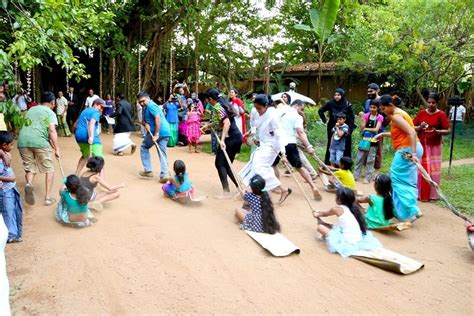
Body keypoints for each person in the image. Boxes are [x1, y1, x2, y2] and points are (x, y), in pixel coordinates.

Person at [374, 95, 423, 221]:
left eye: (384, 109)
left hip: (406, 150)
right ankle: (410, 209)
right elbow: (401, 132)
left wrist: (412, 154)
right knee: (407, 179)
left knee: (396, 179)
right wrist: (383, 133)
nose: (383, 111)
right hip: (413, 148)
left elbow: (411, 132)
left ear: (390, 105)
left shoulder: (396, 116)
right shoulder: (400, 113)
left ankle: (410, 210)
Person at [240, 94, 292, 204]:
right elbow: (259, 127)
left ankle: (260, 193)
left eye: (259, 108)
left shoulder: (273, 116)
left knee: (259, 166)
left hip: (273, 145)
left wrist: (283, 154)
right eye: (256, 108)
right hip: (265, 143)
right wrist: (256, 137)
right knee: (257, 165)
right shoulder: (261, 113)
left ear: (266, 105)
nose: (258, 111)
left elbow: (279, 135)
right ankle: (265, 192)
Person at [273, 96, 322, 200]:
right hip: (290, 143)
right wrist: (308, 146)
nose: (301, 111)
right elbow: (300, 132)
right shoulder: (296, 116)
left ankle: (277, 186)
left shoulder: (280, 110)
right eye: (301, 109)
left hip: (278, 142)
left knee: (273, 165)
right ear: (296, 106)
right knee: (299, 167)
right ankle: (313, 186)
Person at [312, 186, 382, 257]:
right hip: (358, 239)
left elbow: (325, 214)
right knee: (335, 226)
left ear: (338, 199)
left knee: (320, 227)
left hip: (347, 242)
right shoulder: (354, 208)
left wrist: (316, 213)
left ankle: (328, 237)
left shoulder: (337, 209)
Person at [17, 91, 60, 206]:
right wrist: (57, 149)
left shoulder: (31, 109)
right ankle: (47, 198)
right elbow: (51, 130)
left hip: (23, 141)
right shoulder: (50, 112)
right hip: (40, 141)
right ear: (52, 102)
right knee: (49, 168)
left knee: (29, 167)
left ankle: (29, 183)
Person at [201, 88, 243, 199]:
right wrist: (207, 126)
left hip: (231, 138)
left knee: (219, 164)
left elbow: (226, 123)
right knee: (227, 165)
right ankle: (240, 188)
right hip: (236, 137)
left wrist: (223, 140)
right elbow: (218, 121)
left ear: (210, 99)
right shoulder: (224, 104)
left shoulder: (217, 106)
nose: (207, 102)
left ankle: (226, 191)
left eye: (207, 100)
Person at [413, 93, 450, 202]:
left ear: (437, 103)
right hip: (421, 145)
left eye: (433, 102)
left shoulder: (441, 115)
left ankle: (432, 195)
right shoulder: (421, 113)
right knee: (420, 169)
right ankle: (419, 194)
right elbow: (412, 127)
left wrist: (438, 131)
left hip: (434, 146)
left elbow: (447, 130)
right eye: (429, 102)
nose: (430, 104)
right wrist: (420, 127)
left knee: (433, 170)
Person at [137, 91, 171, 183]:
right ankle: (164, 174)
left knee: (144, 147)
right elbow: (143, 121)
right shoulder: (145, 108)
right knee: (162, 152)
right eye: (140, 102)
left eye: (143, 101)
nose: (142, 103)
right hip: (164, 131)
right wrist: (145, 124)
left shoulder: (151, 105)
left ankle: (148, 170)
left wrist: (156, 134)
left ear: (148, 98)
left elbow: (157, 118)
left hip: (159, 132)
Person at [319, 88, 356, 164]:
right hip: (333, 127)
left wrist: (350, 130)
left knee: (345, 145)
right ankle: (329, 164)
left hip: (345, 128)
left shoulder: (347, 104)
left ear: (342, 95)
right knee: (332, 144)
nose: (336, 96)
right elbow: (320, 110)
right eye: (335, 95)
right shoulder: (330, 103)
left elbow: (352, 117)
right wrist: (325, 120)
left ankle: (345, 165)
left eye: (338, 95)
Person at [0, 132, 23, 243]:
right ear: (4, 145)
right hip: (4, 190)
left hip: (10, 188)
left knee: (13, 210)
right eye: (11, 144)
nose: (13, 147)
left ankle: (13, 233)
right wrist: (10, 179)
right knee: (7, 211)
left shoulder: (5, 155)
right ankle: (10, 235)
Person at [354, 100, 383, 183]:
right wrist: (362, 119)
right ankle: (356, 176)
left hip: (374, 141)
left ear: (377, 108)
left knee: (371, 159)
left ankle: (368, 177)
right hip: (364, 139)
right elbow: (362, 127)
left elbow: (376, 129)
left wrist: (366, 128)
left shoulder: (380, 117)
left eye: (374, 107)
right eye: (371, 107)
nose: (372, 109)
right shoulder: (366, 115)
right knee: (359, 158)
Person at [74, 98, 104, 175]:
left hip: (78, 136)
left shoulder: (84, 111)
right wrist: (91, 136)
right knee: (100, 159)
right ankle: (101, 179)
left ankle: (76, 175)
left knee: (85, 156)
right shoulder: (95, 112)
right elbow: (92, 124)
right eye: (101, 107)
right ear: (96, 105)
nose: (102, 110)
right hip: (88, 135)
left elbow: (75, 124)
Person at [293, 100, 318, 181]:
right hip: (298, 136)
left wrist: (308, 145)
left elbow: (301, 130)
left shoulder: (298, 115)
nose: (302, 111)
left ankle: (313, 172)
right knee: (306, 154)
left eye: (302, 109)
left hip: (298, 137)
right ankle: (314, 171)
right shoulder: (296, 114)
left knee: (301, 155)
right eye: (302, 109)